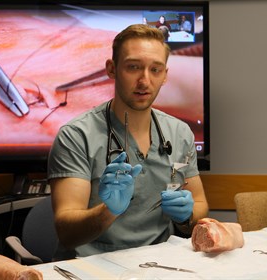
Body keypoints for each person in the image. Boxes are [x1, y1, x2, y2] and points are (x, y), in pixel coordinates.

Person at [47, 24, 209, 257]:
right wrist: (109, 211)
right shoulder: (76, 136)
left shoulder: (179, 133)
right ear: (111, 69)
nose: (144, 81)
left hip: (159, 262)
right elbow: (66, 232)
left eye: (155, 70)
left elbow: (200, 204)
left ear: (165, 76)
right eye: (133, 67)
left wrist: (187, 217)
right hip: (91, 265)